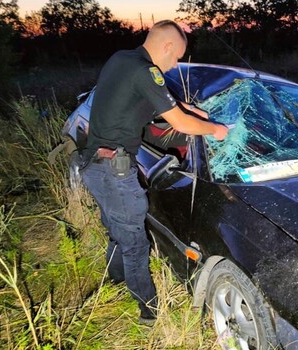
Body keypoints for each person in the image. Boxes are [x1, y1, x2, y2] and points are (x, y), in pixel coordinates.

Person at [80, 20, 229, 325]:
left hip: (94, 167)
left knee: (116, 230)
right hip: (115, 172)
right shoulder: (146, 72)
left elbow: (154, 106)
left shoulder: (121, 59)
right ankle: (149, 314)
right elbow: (182, 125)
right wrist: (215, 129)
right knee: (135, 243)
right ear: (167, 47)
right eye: (176, 58)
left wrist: (195, 111)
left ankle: (115, 282)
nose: (174, 66)